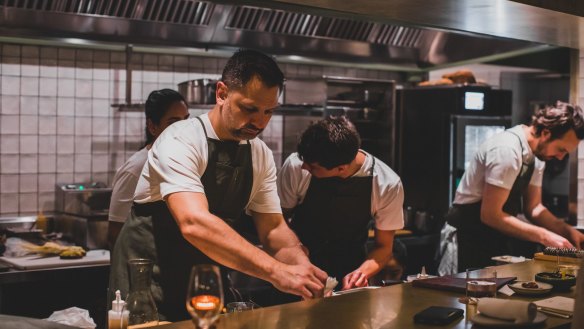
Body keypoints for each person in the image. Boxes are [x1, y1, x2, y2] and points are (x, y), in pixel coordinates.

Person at [109, 49, 327, 321]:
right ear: (222, 93)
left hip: (205, 287)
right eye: (249, 108)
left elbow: (272, 228)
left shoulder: (259, 153)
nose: (260, 122)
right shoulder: (180, 139)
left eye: (268, 111)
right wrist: (276, 272)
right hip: (148, 289)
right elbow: (194, 222)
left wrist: (302, 267)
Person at [446, 102, 584, 271]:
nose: (561, 158)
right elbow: (490, 215)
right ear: (546, 133)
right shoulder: (507, 150)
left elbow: (533, 208)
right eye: (561, 149)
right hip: (467, 235)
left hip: (493, 237)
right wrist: (545, 236)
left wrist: (567, 231)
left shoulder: (537, 157)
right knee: (466, 295)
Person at [277, 116, 404, 290]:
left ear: (341, 168)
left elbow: (384, 247)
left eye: (313, 167)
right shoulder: (296, 166)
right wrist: (296, 252)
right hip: (295, 268)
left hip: (348, 269)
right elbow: (277, 222)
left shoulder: (386, 184)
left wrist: (361, 274)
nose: (305, 167)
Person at [107, 89, 189, 249]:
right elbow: (115, 233)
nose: (183, 129)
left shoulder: (184, 163)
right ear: (152, 126)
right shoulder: (136, 168)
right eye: (173, 123)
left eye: (186, 121)